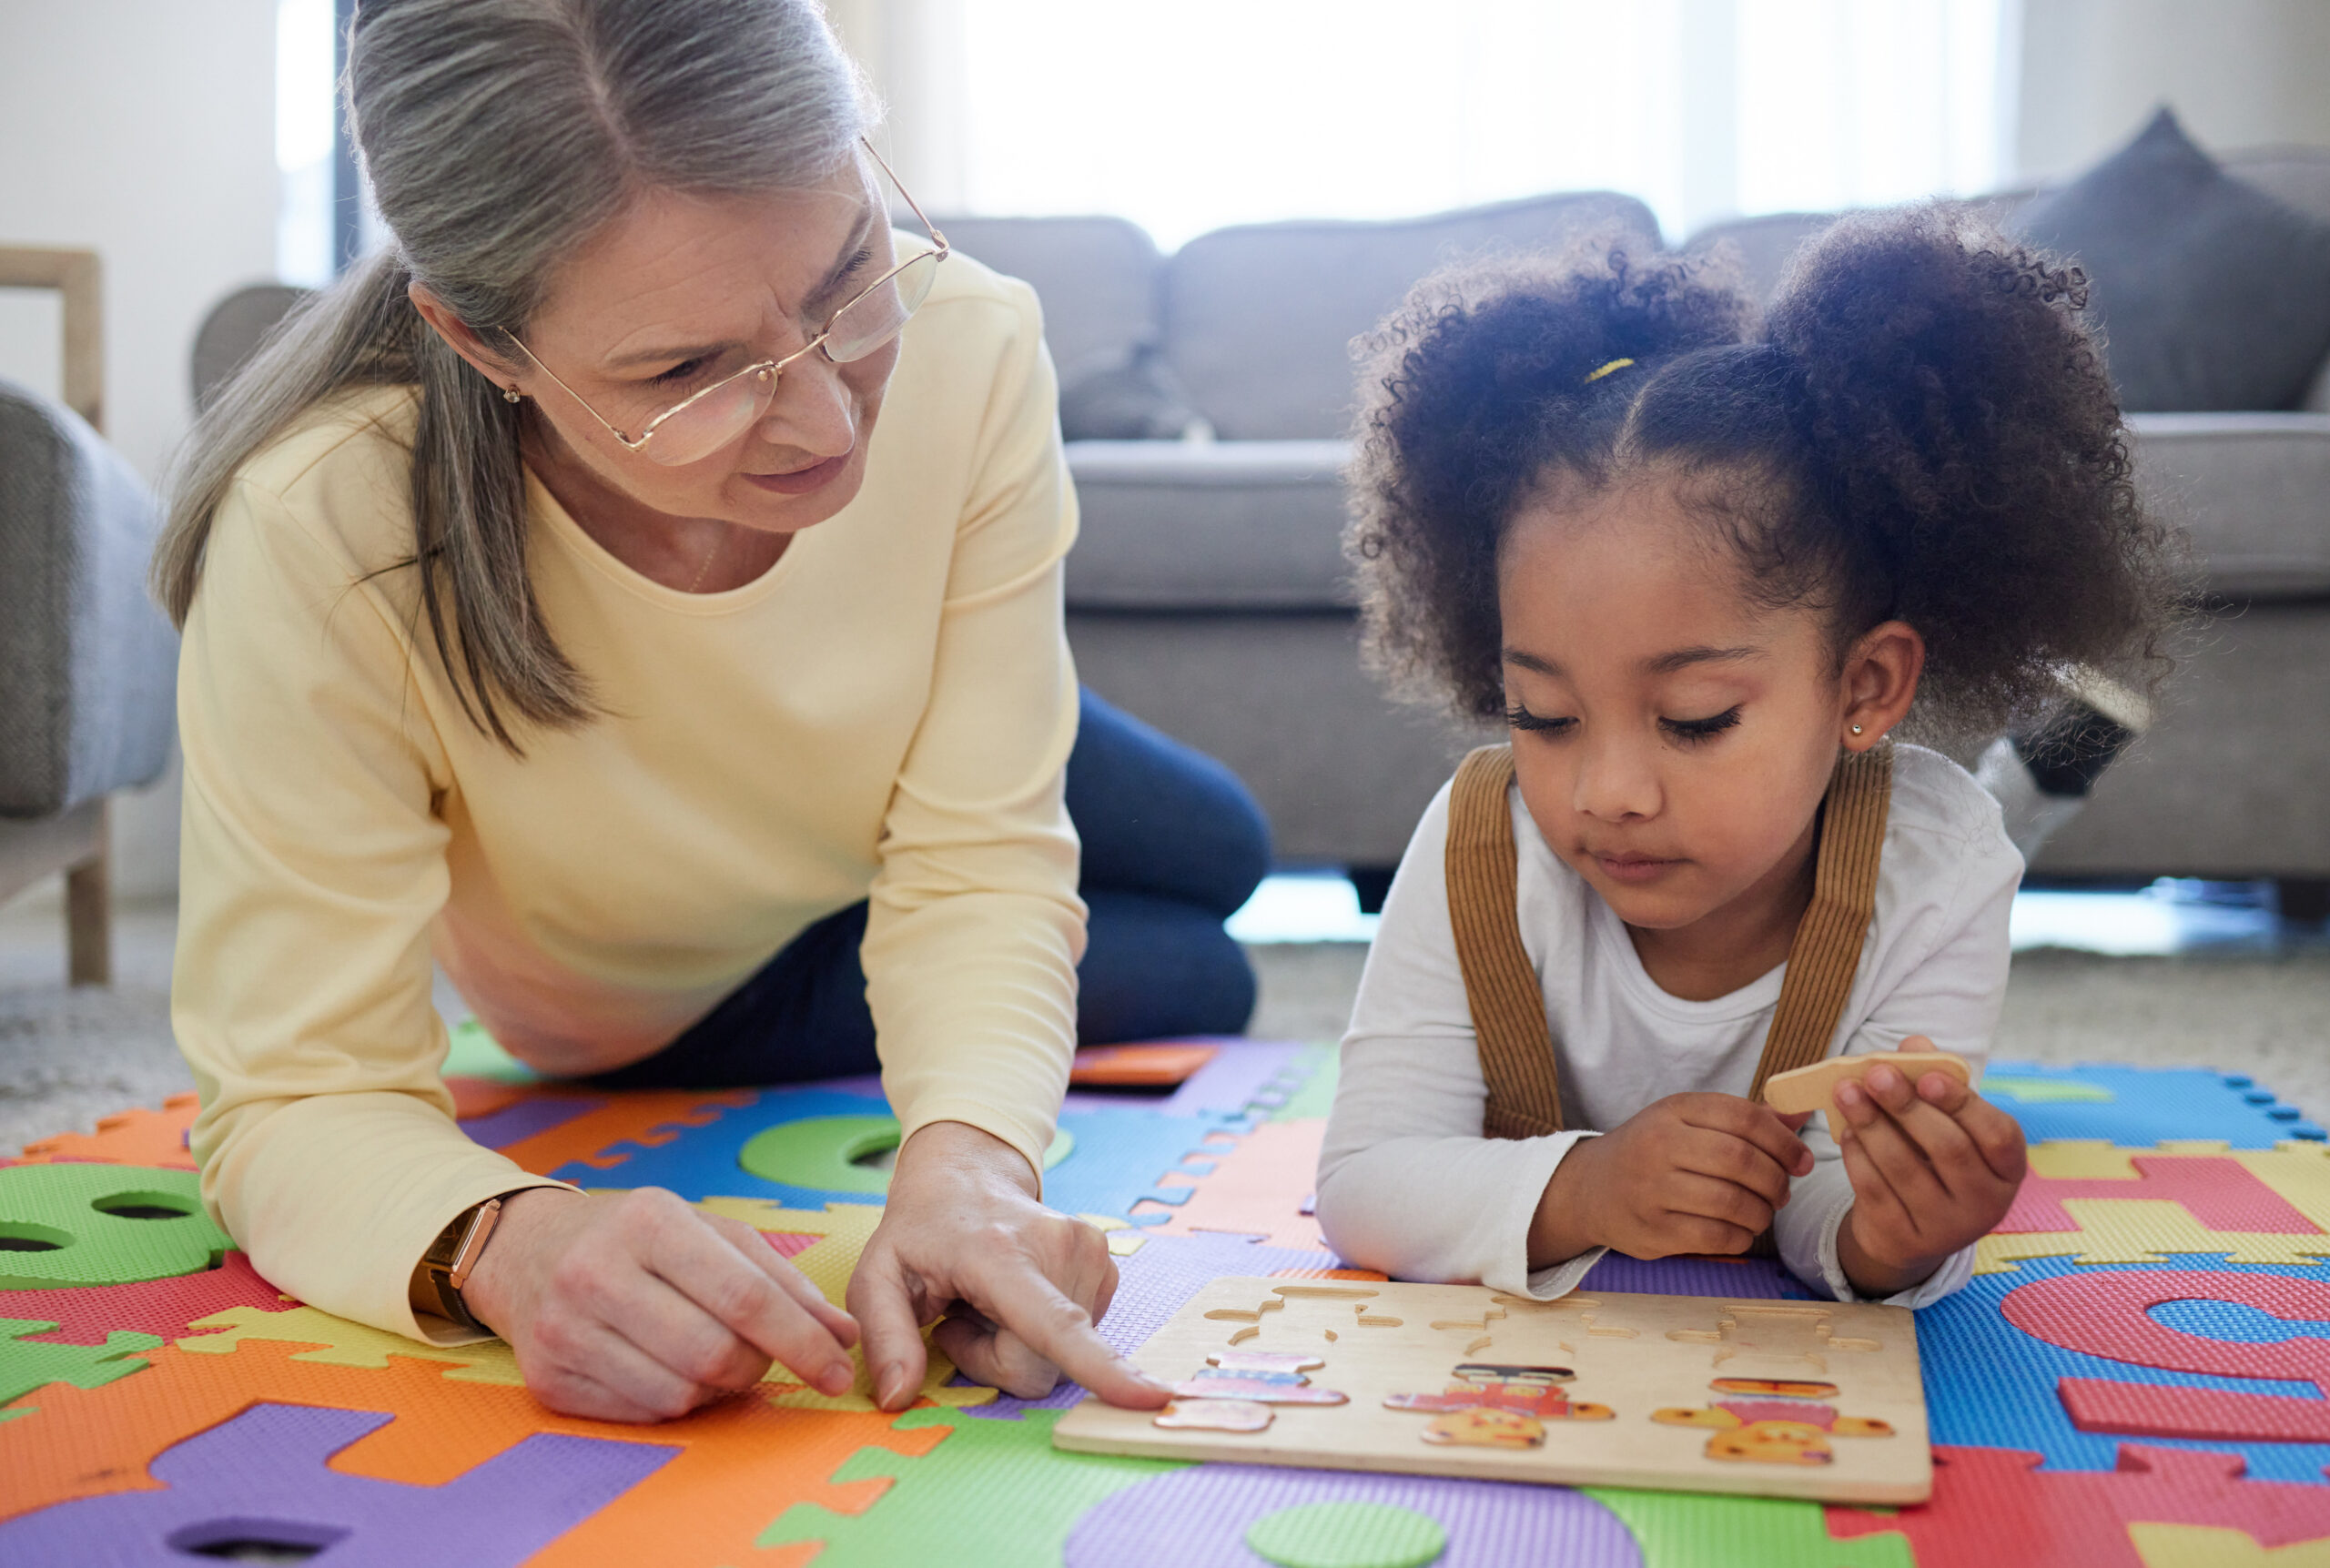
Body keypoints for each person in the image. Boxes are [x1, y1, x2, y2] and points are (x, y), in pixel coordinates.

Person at [154, 0, 1267, 1424]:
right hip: (669, 988)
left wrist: (972, 1169)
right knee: (1203, 974)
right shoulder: (323, 525)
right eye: (684, 373)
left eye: (847, 276)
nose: (826, 425)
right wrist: (502, 1241)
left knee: (1224, 841)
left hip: (849, 778)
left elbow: (981, 853)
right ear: (479, 343)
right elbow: (290, 1094)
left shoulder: (971, 336)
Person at [1315, 209, 2182, 1306]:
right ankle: (2034, 770)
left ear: (1865, 687)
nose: (1607, 794)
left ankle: (2025, 782)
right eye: (1540, 714)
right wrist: (1586, 1186)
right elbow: (1362, 1178)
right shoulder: (1483, 844)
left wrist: (1896, 1231)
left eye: (1692, 719)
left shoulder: (1937, 869)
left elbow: (1822, 1206)